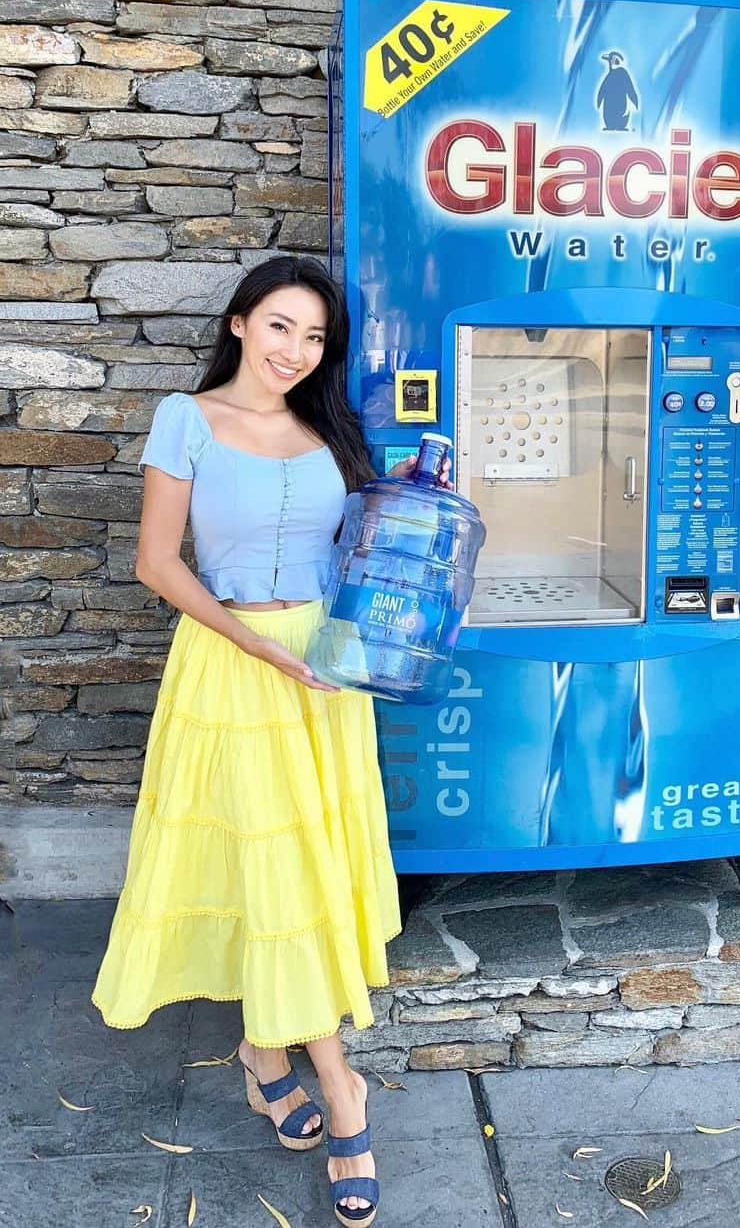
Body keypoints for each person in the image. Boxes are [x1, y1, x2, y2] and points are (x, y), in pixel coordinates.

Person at [92, 255, 444, 1225]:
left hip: (325, 673)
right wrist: (259, 646)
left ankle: (265, 1051)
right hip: (233, 661)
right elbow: (157, 562)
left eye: (316, 336)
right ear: (242, 322)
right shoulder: (188, 419)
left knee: (308, 873)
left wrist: (415, 510)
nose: (297, 349)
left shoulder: (327, 428)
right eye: (282, 326)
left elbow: (356, 548)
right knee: (275, 871)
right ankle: (343, 1092)